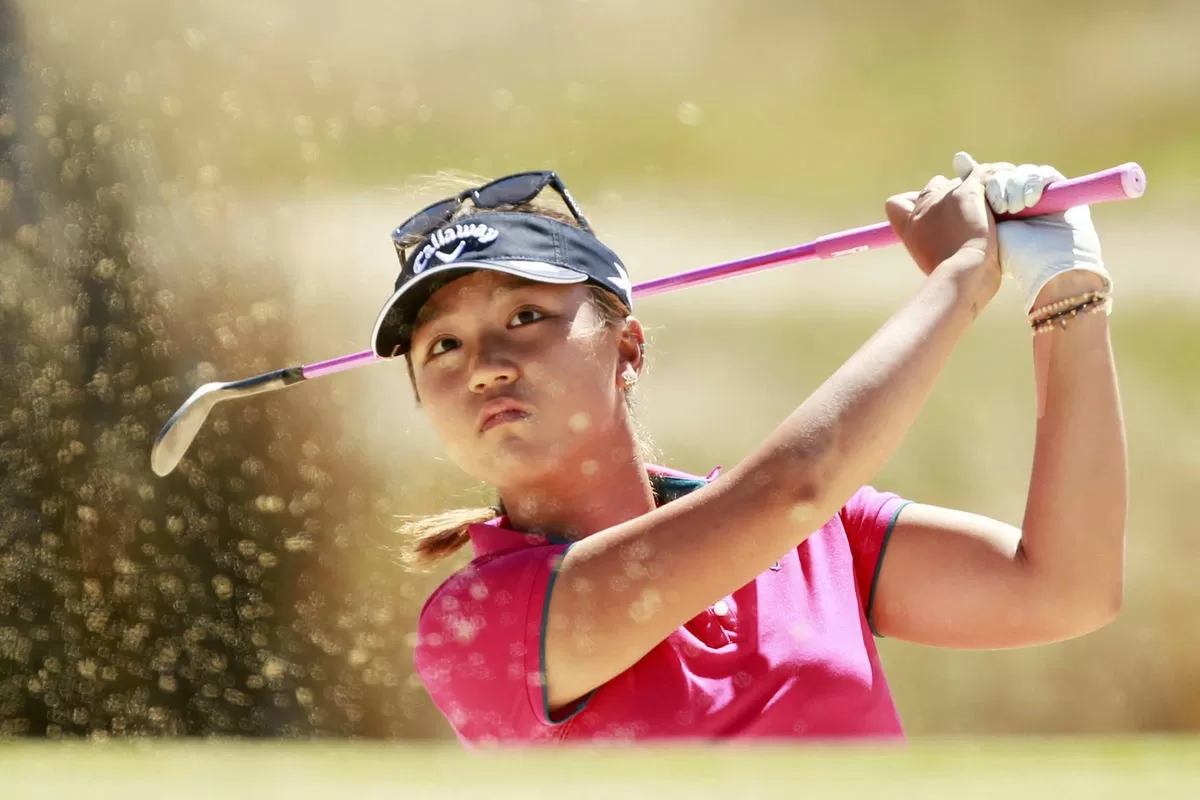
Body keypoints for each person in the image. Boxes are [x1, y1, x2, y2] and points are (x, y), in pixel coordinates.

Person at [368, 154, 1127, 746]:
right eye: (443, 346)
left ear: (627, 348)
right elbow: (792, 489)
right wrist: (962, 274)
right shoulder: (473, 622)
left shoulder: (821, 536)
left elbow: (1066, 589)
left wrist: (1067, 292)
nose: (486, 365)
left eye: (525, 315)